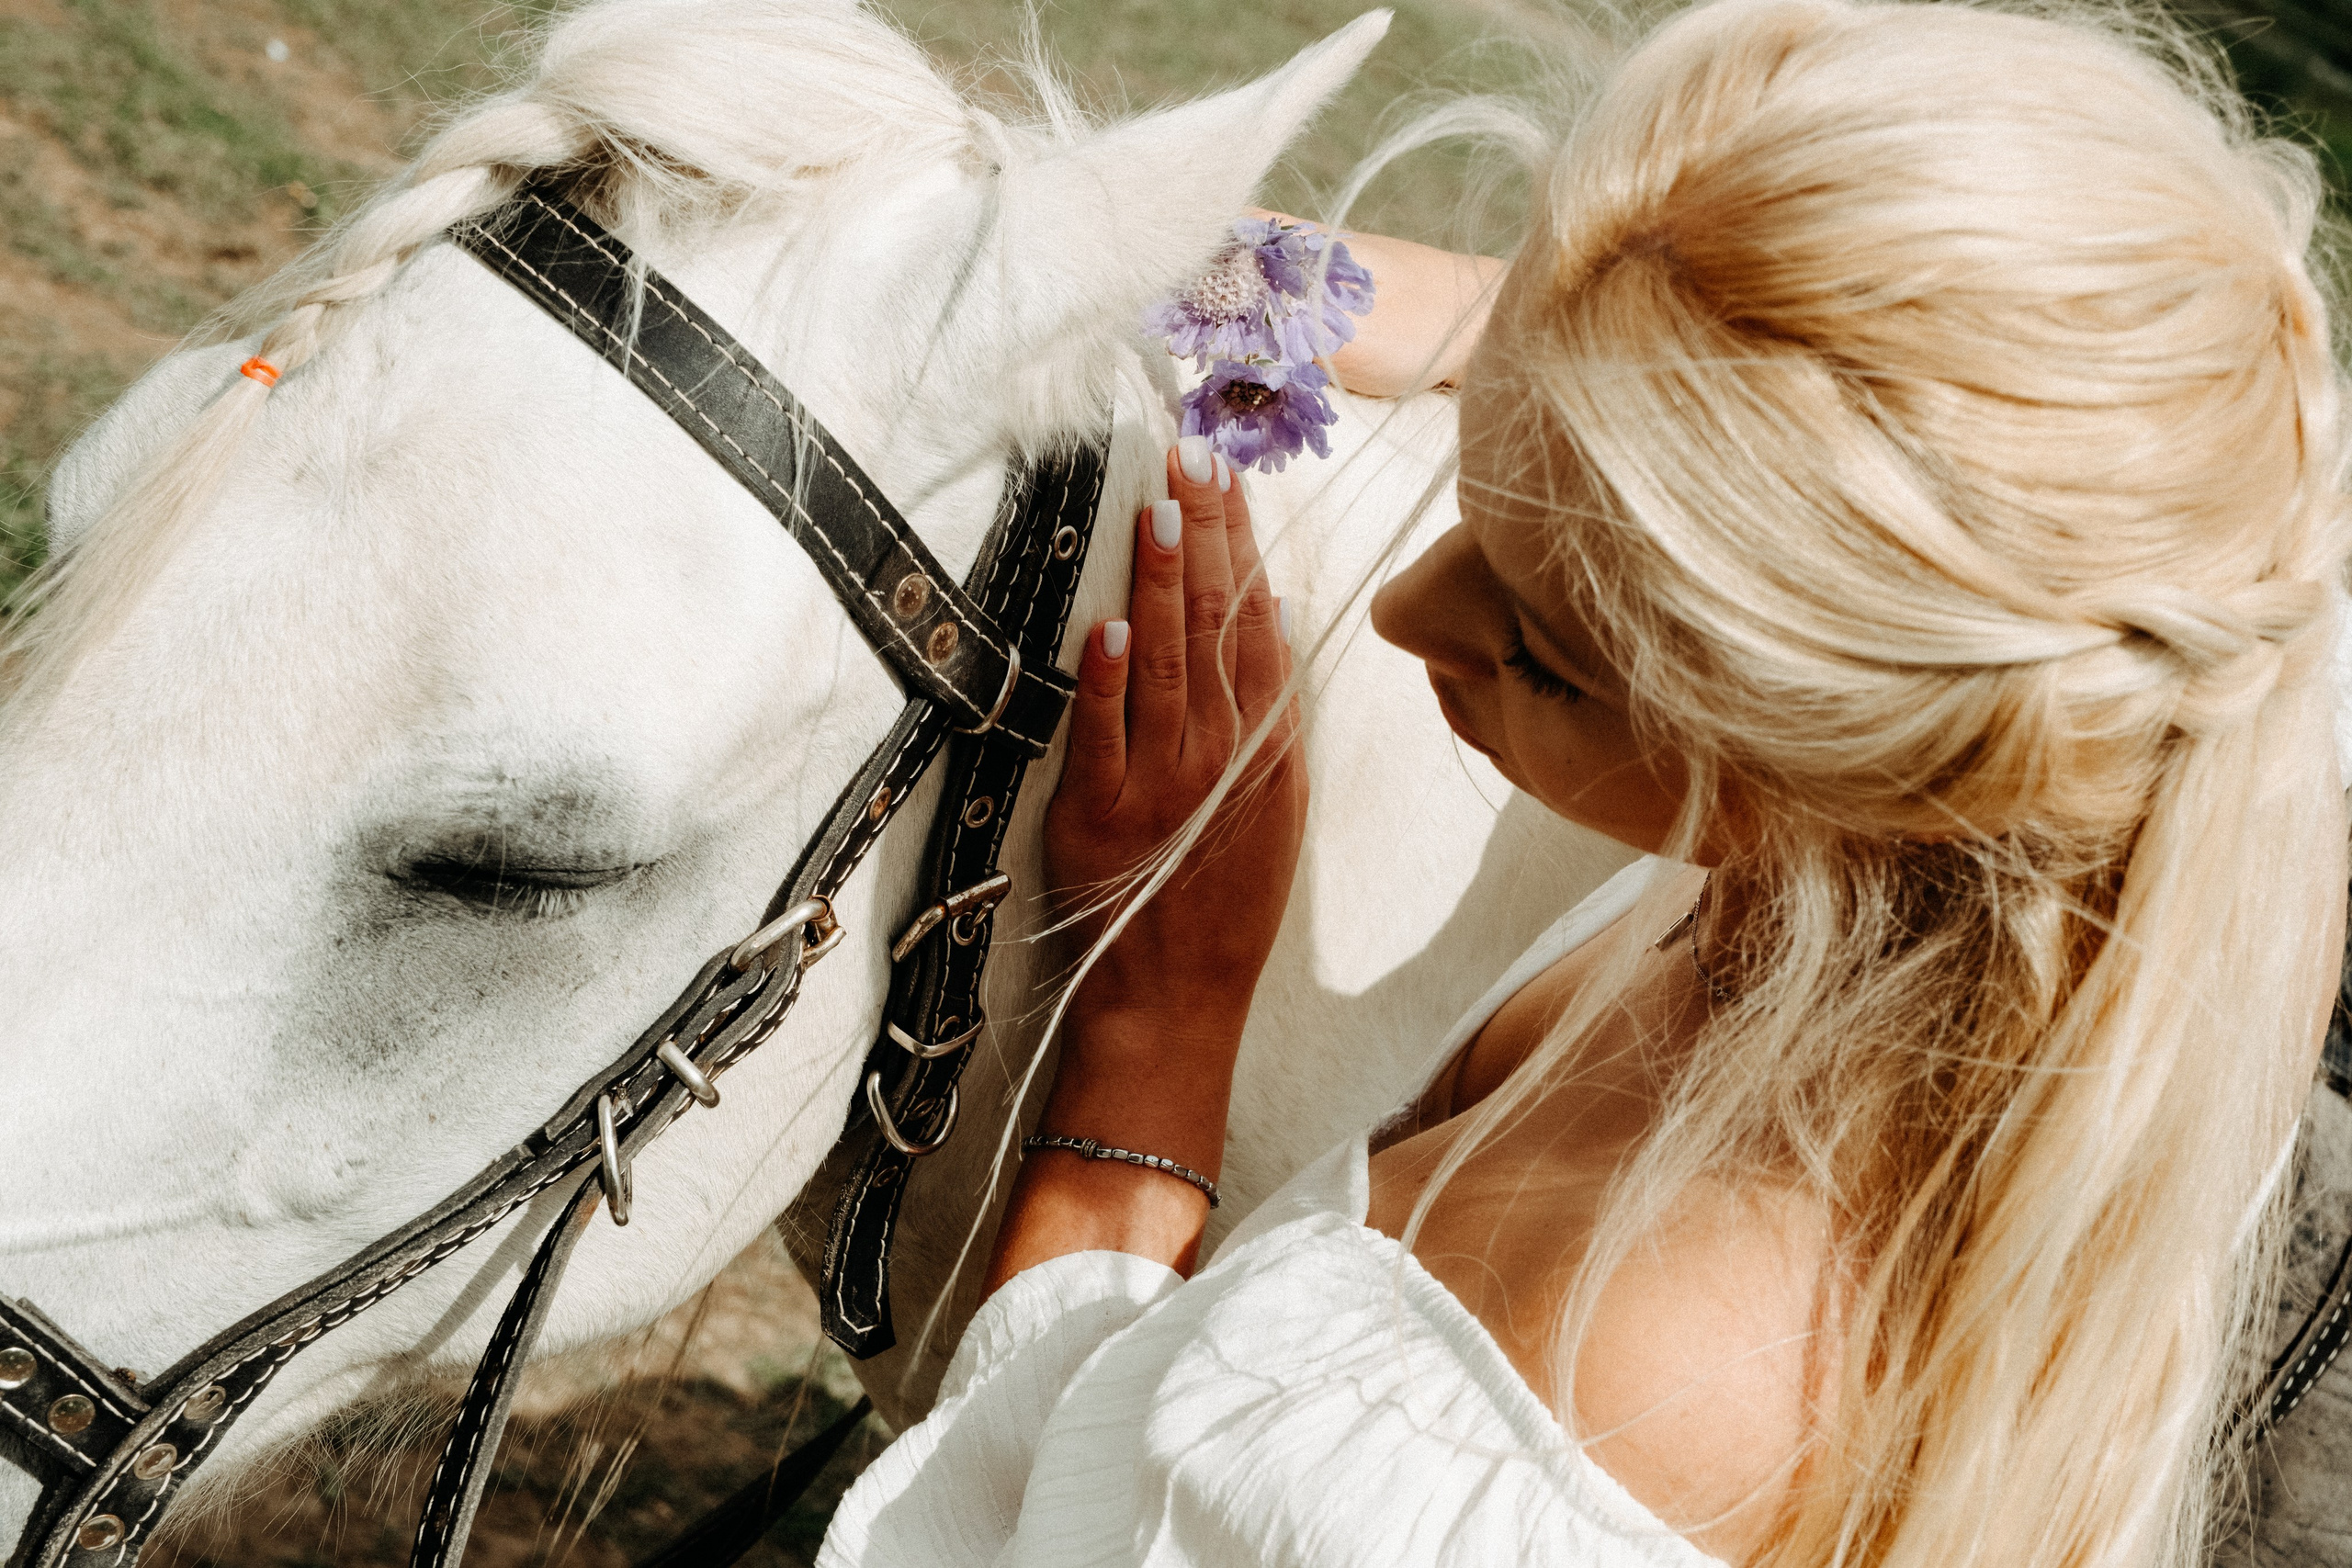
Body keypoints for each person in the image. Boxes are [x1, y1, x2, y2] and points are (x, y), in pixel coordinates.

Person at [818, 1, 2351, 1563]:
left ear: (1843, 754)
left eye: (1547, 649)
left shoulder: (1504, 1427)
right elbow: (1735, 380)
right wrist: (1219, 275)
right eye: (1478, 487)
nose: (1415, 612)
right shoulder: (2168, 638)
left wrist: (1143, 1068)